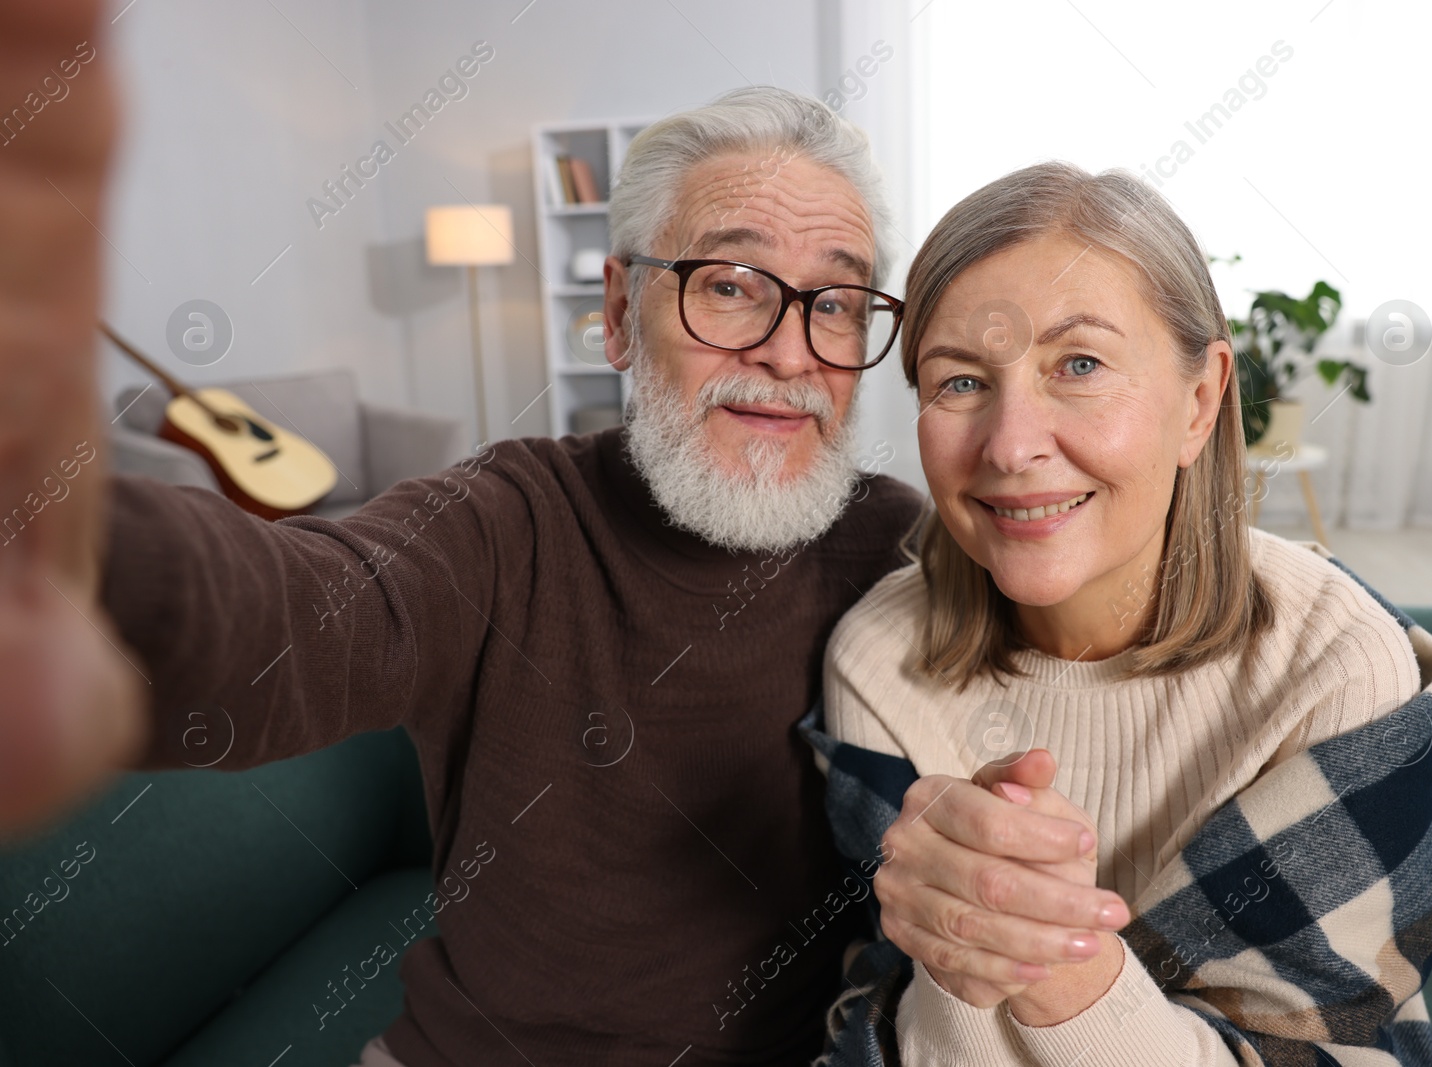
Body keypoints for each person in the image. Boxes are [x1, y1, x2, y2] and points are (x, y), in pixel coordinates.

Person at [0, 5, 924, 1060]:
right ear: (619, 314)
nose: (789, 352)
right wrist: (54, 532)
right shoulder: (506, 521)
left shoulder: (900, 551)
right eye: (728, 284)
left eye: (838, 303)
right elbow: (294, 611)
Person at [808, 162, 1432, 1065]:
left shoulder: (1338, 661)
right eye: (959, 381)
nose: (1011, 444)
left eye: (1079, 364)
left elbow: (1328, 1045)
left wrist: (1055, 964)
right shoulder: (876, 656)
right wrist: (958, 967)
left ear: (1200, 401)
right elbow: (879, 1024)